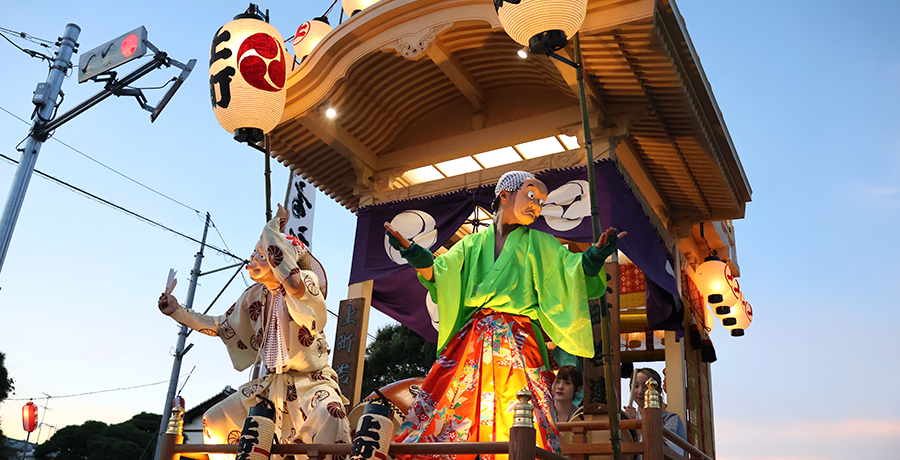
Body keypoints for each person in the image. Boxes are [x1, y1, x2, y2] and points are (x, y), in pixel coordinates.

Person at [386, 170, 625, 460]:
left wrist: (596, 255)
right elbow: (439, 273)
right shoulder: (471, 245)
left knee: (524, 412)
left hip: (519, 338)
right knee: (449, 404)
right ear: (504, 194)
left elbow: (571, 270)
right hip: (472, 341)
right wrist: (413, 254)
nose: (536, 206)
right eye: (532, 196)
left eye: (541, 202)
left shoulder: (541, 244)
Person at [158, 204, 350, 459]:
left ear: (280, 259)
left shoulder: (305, 282)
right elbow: (220, 325)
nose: (253, 257)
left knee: (331, 413)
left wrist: (271, 228)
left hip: (311, 381)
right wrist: (178, 311)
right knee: (215, 420)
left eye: (262, 253)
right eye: (255, 252)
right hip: (271, 384)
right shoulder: (253, 296)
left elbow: (290, 282)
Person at [624, 368, 686, 456]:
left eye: (646, 387)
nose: (640, 391)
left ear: (659, 391)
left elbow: (671, 452)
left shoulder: (671, 419)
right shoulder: (626, 418)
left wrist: (635, 424)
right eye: (636, 386)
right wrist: (626, 423)